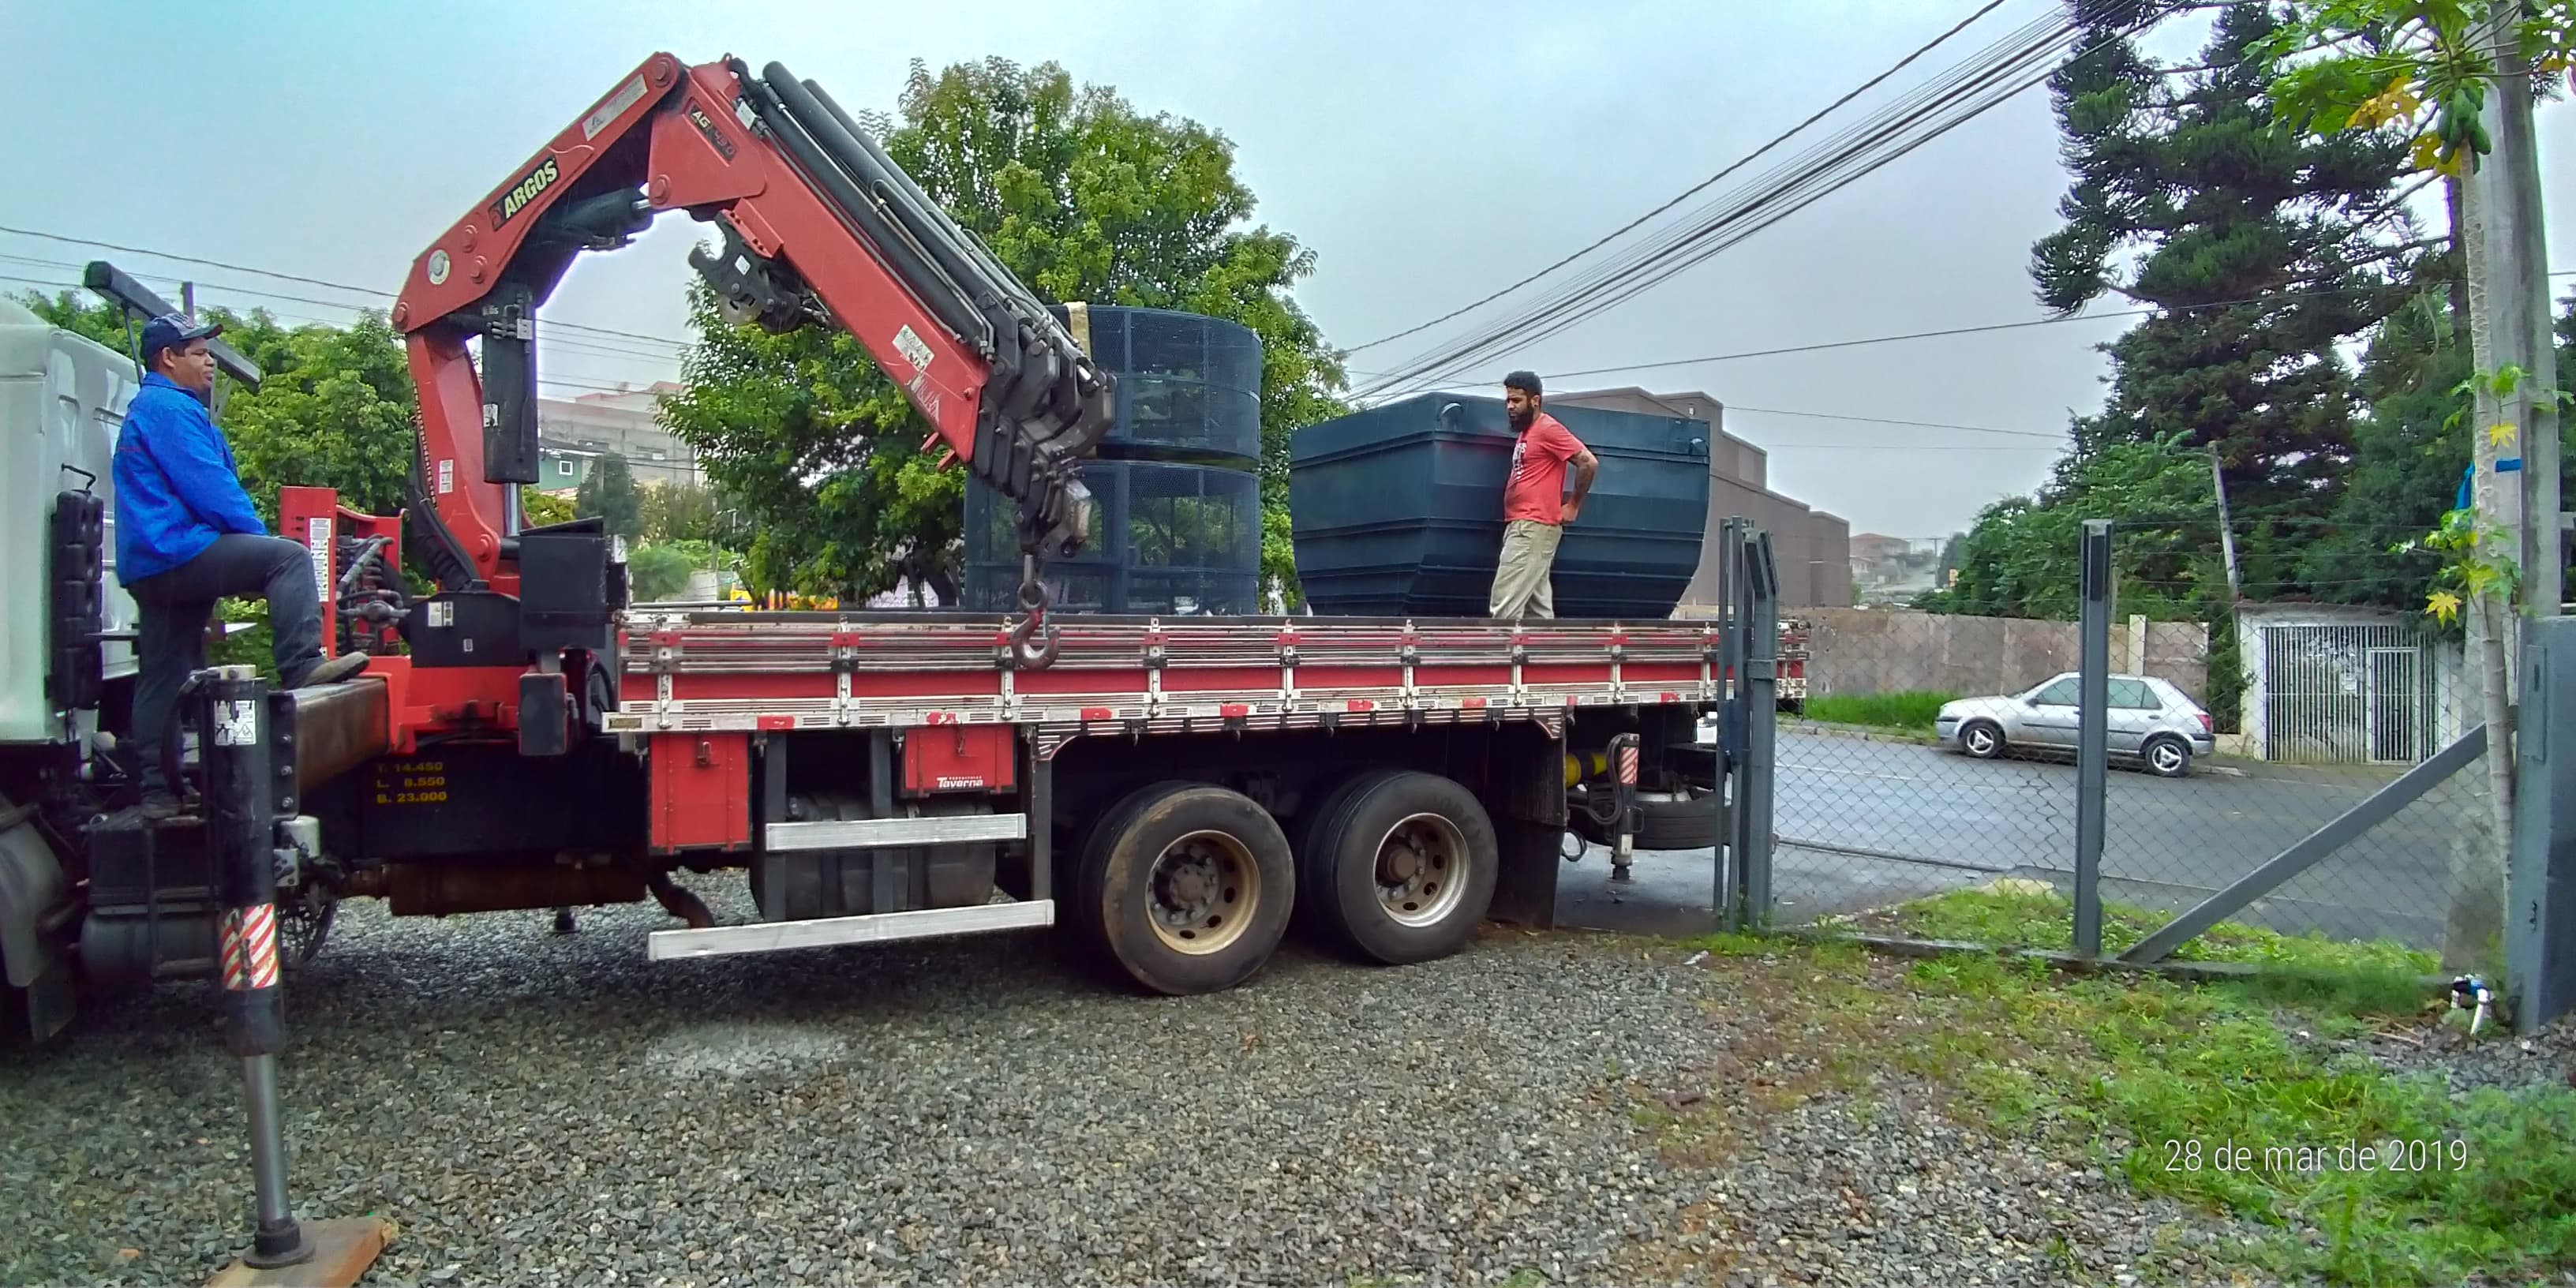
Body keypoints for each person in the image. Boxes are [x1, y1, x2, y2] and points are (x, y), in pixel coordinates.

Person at [114, 313, 368, 807]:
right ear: (168, 358)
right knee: (288, 558)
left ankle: (155, 791)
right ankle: (301, 664)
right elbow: (210, 486)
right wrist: (257, 547)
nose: (210, 360)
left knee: (163, 675)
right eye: (198, 352)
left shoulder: (154, 407)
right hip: (177, 551)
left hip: (153, 564)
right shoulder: (168, 408)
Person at [1488, 369, 1597, 620]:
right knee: (1537, 611)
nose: (1510, 407)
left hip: (1532, 526)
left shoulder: (1548, 429)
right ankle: (1548, 656)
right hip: (1528, 526)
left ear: (1535, 400)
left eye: (1516, 401)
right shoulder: (1528, 433)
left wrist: (1573, 505)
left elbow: (1588, 462)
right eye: (1508, 401)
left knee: (1505, 605)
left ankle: (1497, 656)